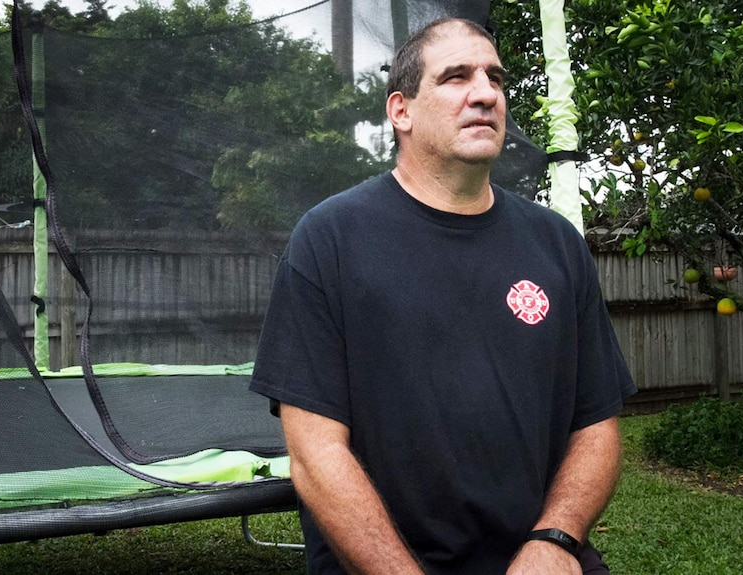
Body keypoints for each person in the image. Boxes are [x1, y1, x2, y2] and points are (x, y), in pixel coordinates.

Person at [250, 17, 637, 575]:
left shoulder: (555, 243)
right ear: (401, 110)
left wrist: (555, 539)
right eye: (456, 77)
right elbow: (314, 454)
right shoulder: (332, 238)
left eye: (495, 79)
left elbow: (595, 425)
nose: (485, 94)